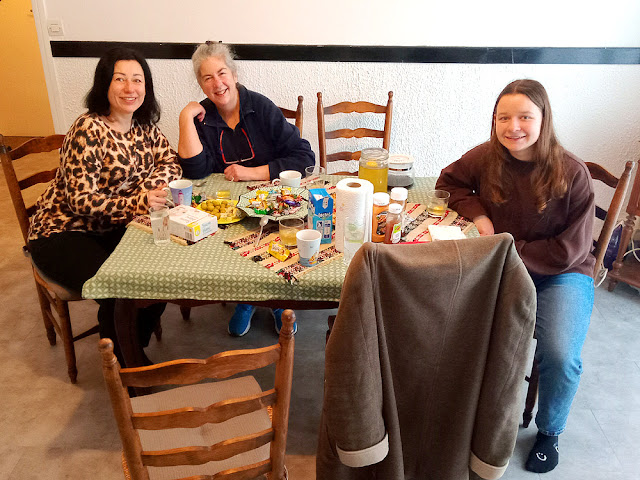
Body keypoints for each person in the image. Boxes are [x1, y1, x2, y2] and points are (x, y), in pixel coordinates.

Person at [436, 79, 595, 474]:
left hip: (561, 274)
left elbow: (569, 250)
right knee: (446, 320)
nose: (513, 127)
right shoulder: (488, 156)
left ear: (544, 119)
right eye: (503, 117)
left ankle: (549, 432)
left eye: (525, 116)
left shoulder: (571, 172)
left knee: (560, 355)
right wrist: (481, 215)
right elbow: (449, 182)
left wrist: (508, 249)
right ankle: (463, 414)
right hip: (501, 265)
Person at [28, 47, 182, 361]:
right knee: (117, 287)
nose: (130, 88)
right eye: (120, 79)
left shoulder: (144, 126)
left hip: (113, 226)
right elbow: (82, 202)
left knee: (162, 274)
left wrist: (149, 188)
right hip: (64, 231)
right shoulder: (88, 130)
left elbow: (170, 161)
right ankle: (125, 365)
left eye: (137, 80)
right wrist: (140, 200)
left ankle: (130, 346)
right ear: (104, 85)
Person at [178, 42, 314, 336]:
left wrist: (249, 173)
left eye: (222, 73)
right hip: (226, 212)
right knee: (228, 245)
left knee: (275, 239)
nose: (217, 83)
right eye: (207, 78)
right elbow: (195, 173)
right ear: (200, 84)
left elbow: (304, 157)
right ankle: (246, 299)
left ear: (234, 74)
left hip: (272, 205)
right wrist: (184, 119)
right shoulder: (203, 116)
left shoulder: (261, 108)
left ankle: (277, 302)